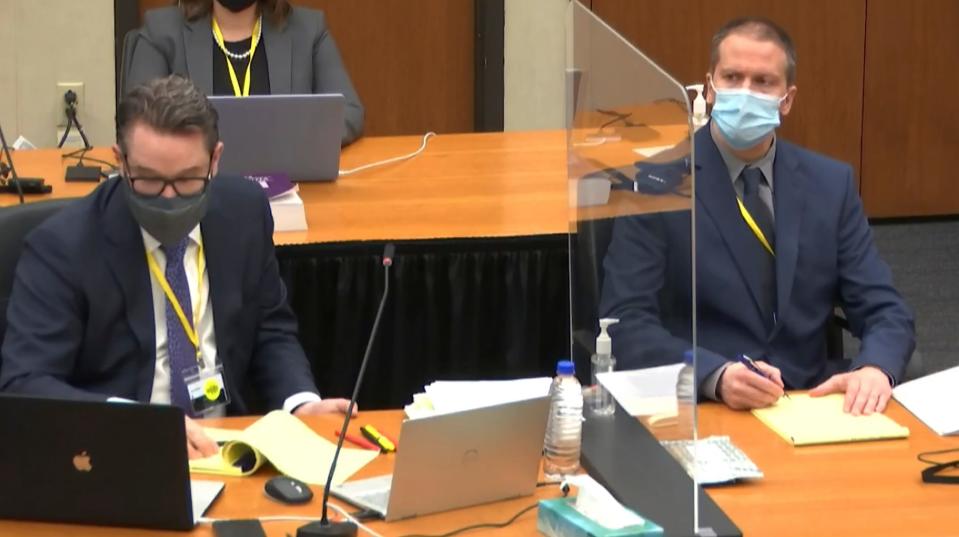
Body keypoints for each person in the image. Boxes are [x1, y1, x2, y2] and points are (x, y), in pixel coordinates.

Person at [0, 75, 352, 459]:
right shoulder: (64, 247)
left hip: (228, 448)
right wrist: (139, 427)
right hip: (119, 455)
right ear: (120, 161)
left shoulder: (244, 213)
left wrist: (299, 403)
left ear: (215, 160)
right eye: (148, 180)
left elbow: (270, 329)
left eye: (186, 179)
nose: (168, 197)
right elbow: (25, 383)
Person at [599, 17, 914, 416]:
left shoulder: (831, 184)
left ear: (787, 99)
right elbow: (625, 321)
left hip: (812, 405)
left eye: (763, 82)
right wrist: (715, 376)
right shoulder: (656, 184)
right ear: (710, 89)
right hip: (707, 407)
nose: (745, 92)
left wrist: (875, 368)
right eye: (732, 77)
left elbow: (885, 308)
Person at [125, 0, 364, 145]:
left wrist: (285, 145)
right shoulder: (161, 30)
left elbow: (349, 113)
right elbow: (139, 120)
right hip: (197, 190)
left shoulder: (308, 29)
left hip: (288, 187)